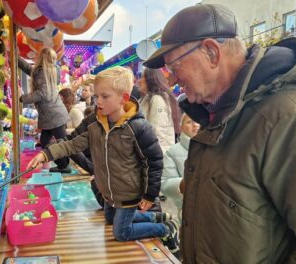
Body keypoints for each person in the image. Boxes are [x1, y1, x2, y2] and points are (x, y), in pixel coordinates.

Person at [144, 4, 296, 263]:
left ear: (211, 52)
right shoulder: (216, 114)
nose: (171, 79)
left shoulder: (285, 119)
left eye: (174, 66)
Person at [26, 66, 180, 257]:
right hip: (109, 192)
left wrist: (149, 195)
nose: (98, 100)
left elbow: (154, 160)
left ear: (123, 99)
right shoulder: (96, 125)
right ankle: (154, 217)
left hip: (128, 193)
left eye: (104, 96)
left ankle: (165, 228)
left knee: (121, 232)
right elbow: (72, 144)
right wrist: (46, 154)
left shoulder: (138, 127)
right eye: (97, 95)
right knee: (110, 219)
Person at [18, 48, 71, 173]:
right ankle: (62, 164)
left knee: (62, 143)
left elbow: (43, 93)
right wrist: (16, 58)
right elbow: (30, 71)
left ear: (41, 57)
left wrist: (22, 98)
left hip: (52, 115)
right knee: (46, 142)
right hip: (54, 114)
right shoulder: (51, 71)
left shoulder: (42, 72)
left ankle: (66, 165)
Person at [161, 113, 200, 221]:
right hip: (187, 211)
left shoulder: (214, 149)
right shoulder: (172, 152)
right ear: (181, 127)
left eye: (197, 121)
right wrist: (183, 184)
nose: (195, 125)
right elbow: (165, 183)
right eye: (189, 122)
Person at [138, 68, 181, 152]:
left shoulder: (157, 99)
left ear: (150, 79)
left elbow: (157, 133)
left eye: (142, 77)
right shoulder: (146, 99)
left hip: (157, 156)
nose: (139, 80)